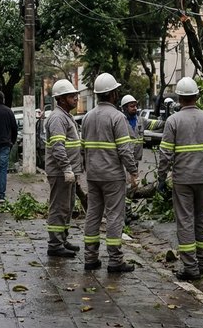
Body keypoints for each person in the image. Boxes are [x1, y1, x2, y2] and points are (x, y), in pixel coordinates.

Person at [158, 76, 203, 281]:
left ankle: (190, 267)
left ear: (179, 98)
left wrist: (161, 178)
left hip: (183, 180)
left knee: (185, 221)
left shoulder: (173, 121)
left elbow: (165, 154)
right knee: (202, 219)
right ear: (197, 96)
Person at [82, 73, 137, 273]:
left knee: (93, 214)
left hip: (93, 175)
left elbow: (82, 148)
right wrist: (133, 172)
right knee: (114, 216)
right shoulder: (117, 117)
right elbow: (124, 150)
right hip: (112, 176)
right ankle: (115, 260)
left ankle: (90, 258)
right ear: (113, 94)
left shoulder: (87, 117)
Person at [44, 79, 83, 258]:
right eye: (71, 96)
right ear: (60, 99)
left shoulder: (66, 116)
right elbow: (58, 146)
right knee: (59, 208)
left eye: (75, 95)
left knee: (67, 207)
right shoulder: (58, 118)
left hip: (68, 172)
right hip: (61, 172)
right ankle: (55, 244)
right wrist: (67, 168)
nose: (76, 98)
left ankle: (62, 239)